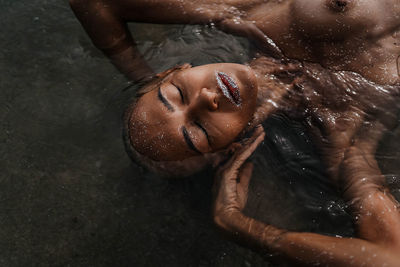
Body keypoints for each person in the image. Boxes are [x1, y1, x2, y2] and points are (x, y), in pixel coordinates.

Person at [69, 0, 400, 265]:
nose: (206, 97)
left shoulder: (244, 11)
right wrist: (238, 225)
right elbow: (390, 257)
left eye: (178, 93)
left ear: (174, 71)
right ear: (231, 150)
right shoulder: (341, 137)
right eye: (199, 129)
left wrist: (145, 79)